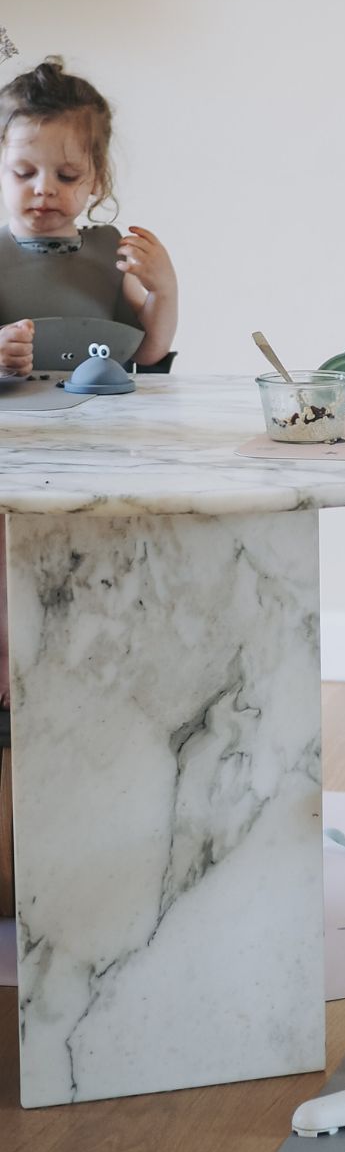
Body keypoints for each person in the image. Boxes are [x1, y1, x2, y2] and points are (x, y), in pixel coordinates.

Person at [0, 56, 178, 707]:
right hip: (14, 450)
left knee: (107, 554)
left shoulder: (109, 253)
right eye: (24, 172)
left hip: (107, 441)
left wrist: (164, 288)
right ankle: (11, 662)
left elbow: (152, 347)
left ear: (96, 179)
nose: (43, 189)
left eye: (66, 174)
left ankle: (99, 673)